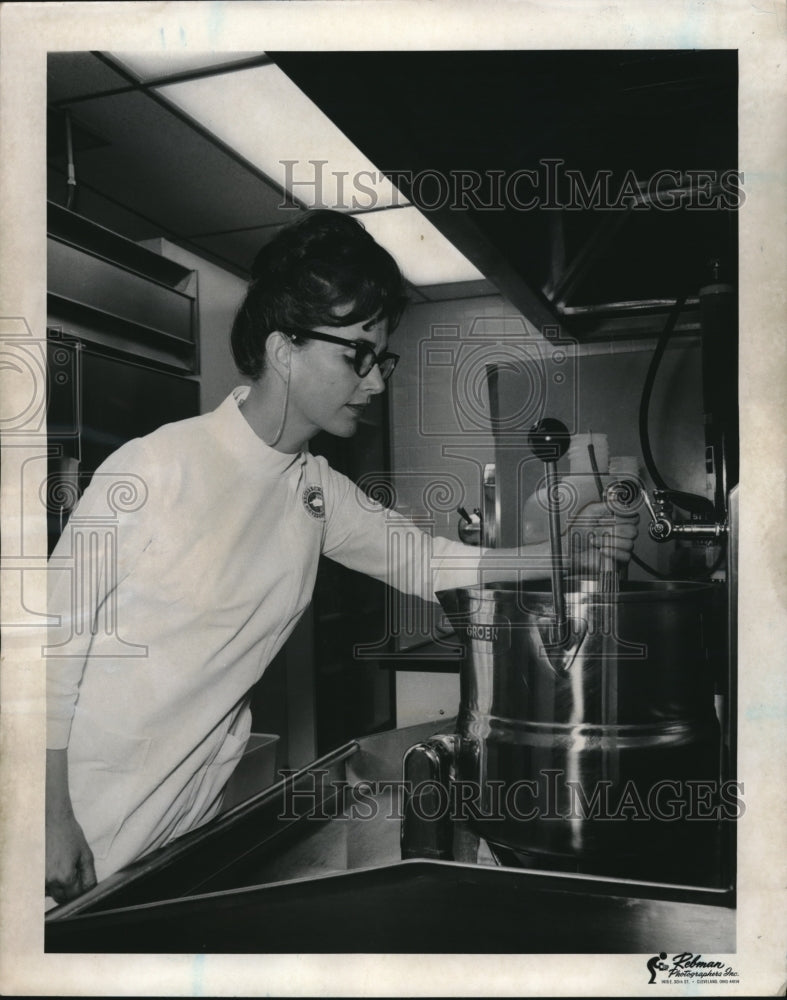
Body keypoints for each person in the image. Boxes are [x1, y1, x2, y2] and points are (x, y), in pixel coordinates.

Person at [45, 210, 637, 904]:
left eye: (379, 358)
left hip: (183, 819)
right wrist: (50, 817)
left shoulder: (313, 489)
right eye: (357, 354)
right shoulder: (152, 468)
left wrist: (561, 551)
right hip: (75, 818)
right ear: (283, 348)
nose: (376, 381)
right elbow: (42, 647)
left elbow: (425, 562)